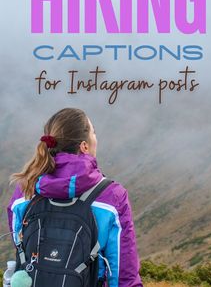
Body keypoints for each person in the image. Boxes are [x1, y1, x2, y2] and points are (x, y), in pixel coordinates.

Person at [7, 108, 143, 287]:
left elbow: (21, 247)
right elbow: (123, 275)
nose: (96, 138)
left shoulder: (24, 190)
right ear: (84, 146)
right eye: (93, 133)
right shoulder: (112, 196)